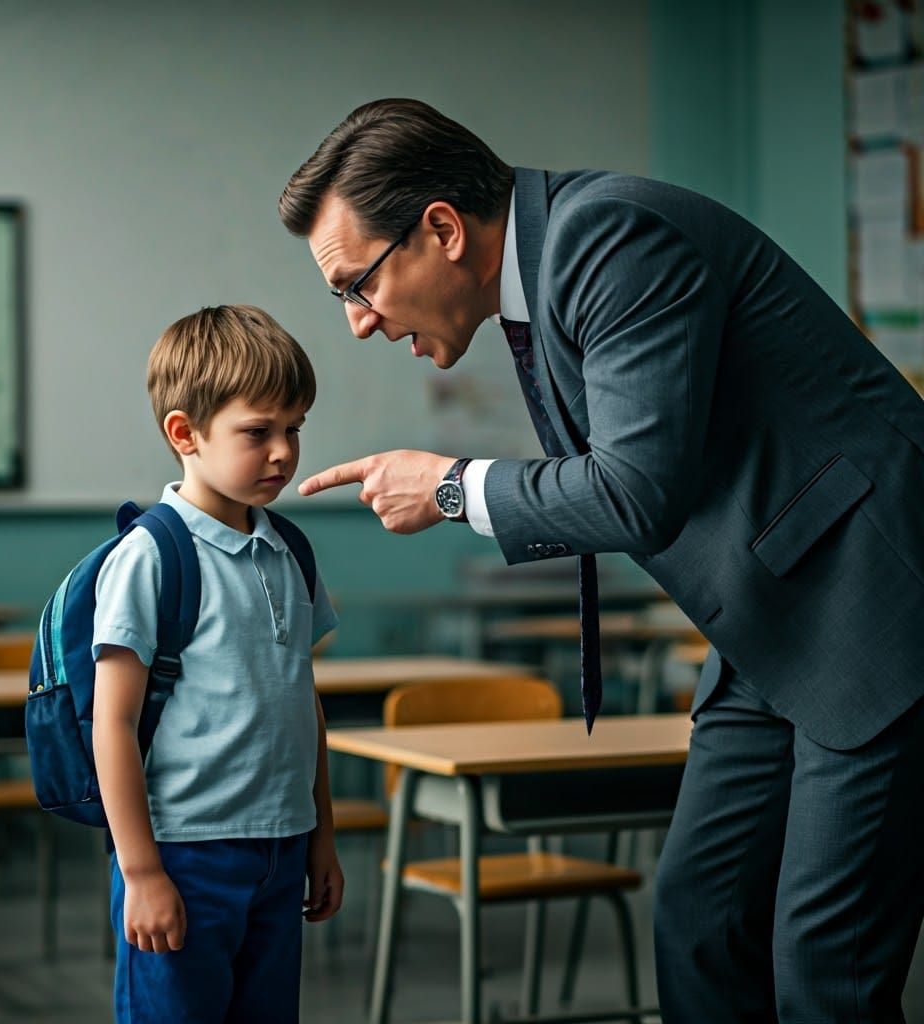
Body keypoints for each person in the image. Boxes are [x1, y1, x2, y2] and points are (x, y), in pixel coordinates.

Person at [278, 98, 924, 1023]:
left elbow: (636, 490)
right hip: (772, 624)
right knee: (699, 921)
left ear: (443, 230)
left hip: (871, 612)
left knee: (828, 966)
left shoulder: (607, 237)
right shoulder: (549, 271)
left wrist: (452, 487)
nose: (358, 322)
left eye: (357, 285)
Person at [91, 304, 342, 1024]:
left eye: (295, 428)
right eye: (258, 432)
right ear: (185, 433)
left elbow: (303, 701)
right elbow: (113, 723)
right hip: (184, 854)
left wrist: (321, 835)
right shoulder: (151, 555)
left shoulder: (290, 549)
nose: (283, 452)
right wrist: (141, 871)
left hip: (282, 846)